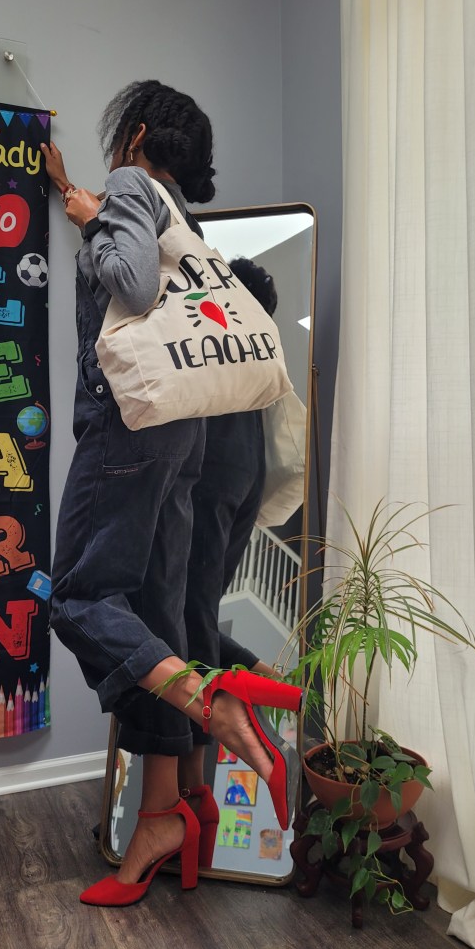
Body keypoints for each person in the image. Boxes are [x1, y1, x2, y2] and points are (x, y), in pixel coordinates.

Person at [40, 80, 302, 907]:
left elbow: (132, 286)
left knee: (77, 595)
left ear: (138, 132)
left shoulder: (129, 185)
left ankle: (213, 699)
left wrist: (94, 216)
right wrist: (82, 204)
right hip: (185, 436)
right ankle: (170, 811)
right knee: (156, 608)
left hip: (130, 428)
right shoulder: (181, 217)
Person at [178, 259, 282, 854]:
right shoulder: (258, 347)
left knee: (185, 619)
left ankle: (195, 791)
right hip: (244, 472)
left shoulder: (216, 339)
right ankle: (259, 676)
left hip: (213, 469)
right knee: (191, 612)